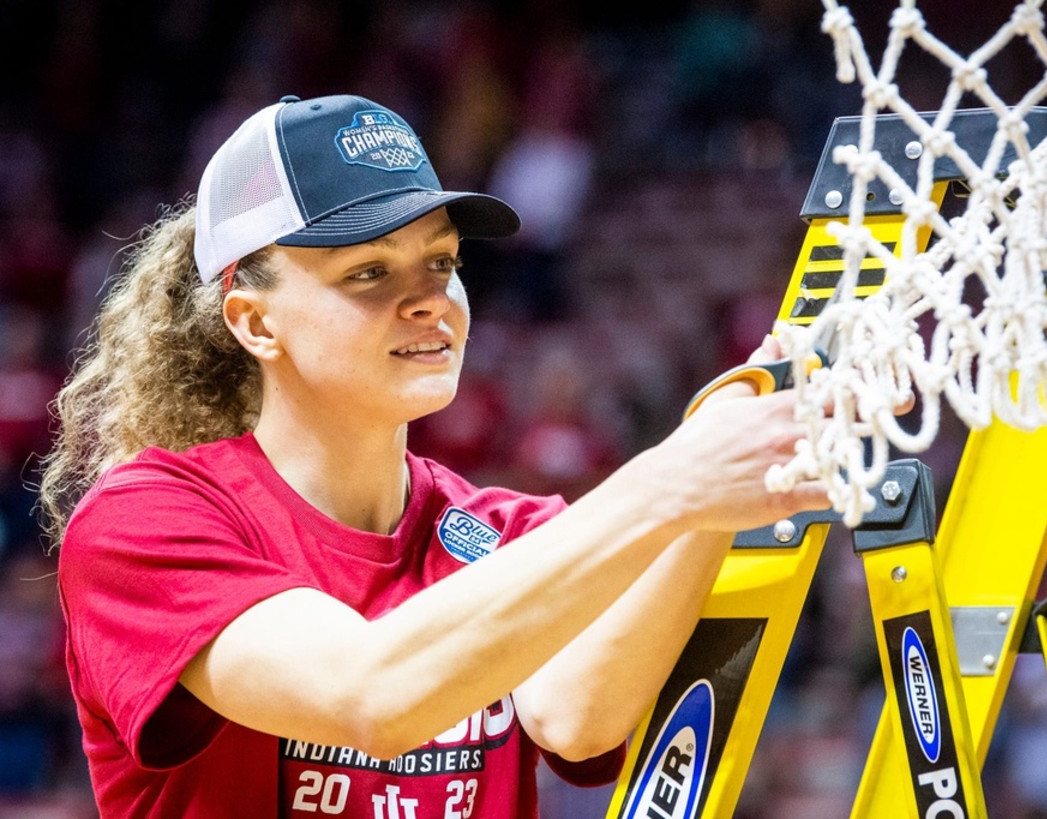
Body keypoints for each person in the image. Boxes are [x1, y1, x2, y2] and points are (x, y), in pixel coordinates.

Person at [38, 93, 825, 818]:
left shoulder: (502, 527)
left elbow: (575, 717)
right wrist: (668, 480)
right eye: (369, 271)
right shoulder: (145, 520)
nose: (430, 299)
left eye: (442, 262)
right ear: (254, 321)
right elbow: (369, 693)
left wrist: (721, 448)